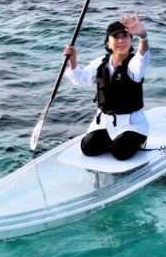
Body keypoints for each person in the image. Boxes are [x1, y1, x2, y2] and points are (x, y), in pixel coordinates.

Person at [63, 13, 150, 161]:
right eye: (116, 37)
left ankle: (137, 140)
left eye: (125, 36)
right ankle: (114, 140)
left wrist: (143, 36)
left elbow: (143, 55)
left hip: (132, 123)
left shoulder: (135, 64)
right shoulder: (100, 63)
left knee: (120, 153)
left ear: (131, 40)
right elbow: (80, 79)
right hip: (104, 121)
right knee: (87, 149)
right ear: (108, 43)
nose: (121, 40)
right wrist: (73, 60)